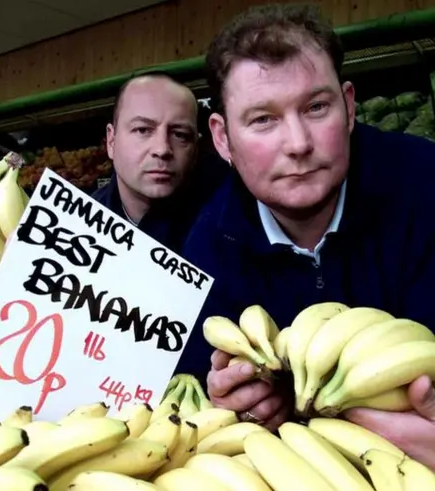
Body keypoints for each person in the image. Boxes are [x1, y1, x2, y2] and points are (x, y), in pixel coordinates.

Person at [175, 3, 435, 470]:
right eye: (262, 120)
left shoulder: (427, 187)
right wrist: (239, 402)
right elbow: (201, 392)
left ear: (350, 106)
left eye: (316, 107)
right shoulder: (208, 247)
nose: (297, 143)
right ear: (221, 138)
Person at [0, 71, 229, 281]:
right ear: (111, 141)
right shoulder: (72, 230)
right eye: (142, 130)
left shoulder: (232, 217)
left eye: (180, 134)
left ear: (196, 146)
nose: (162, 149)